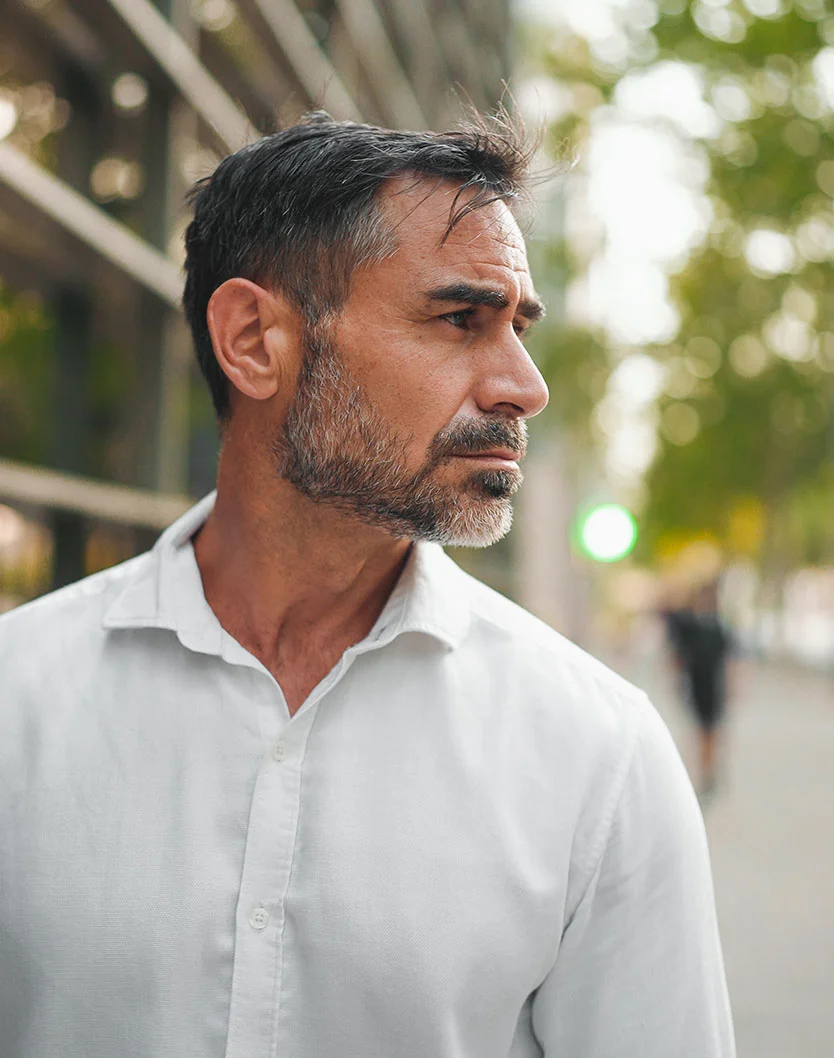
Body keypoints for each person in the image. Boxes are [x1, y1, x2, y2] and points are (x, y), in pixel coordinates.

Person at [0, 113, 735, 1057]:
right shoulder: (16, 703)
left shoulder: (599, 753)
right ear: (255, 339)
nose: (524, 385)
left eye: (518, 327)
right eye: (460, 318)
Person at [664, 579, 736, 802]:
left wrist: (732, 686)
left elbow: (729, 660)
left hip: (713, 685)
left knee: (711, 730)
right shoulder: (690, 626)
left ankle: (709, 770)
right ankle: (704, 770)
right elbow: (678, 656)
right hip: (697, 684)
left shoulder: (719, 627)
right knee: (700, 730)